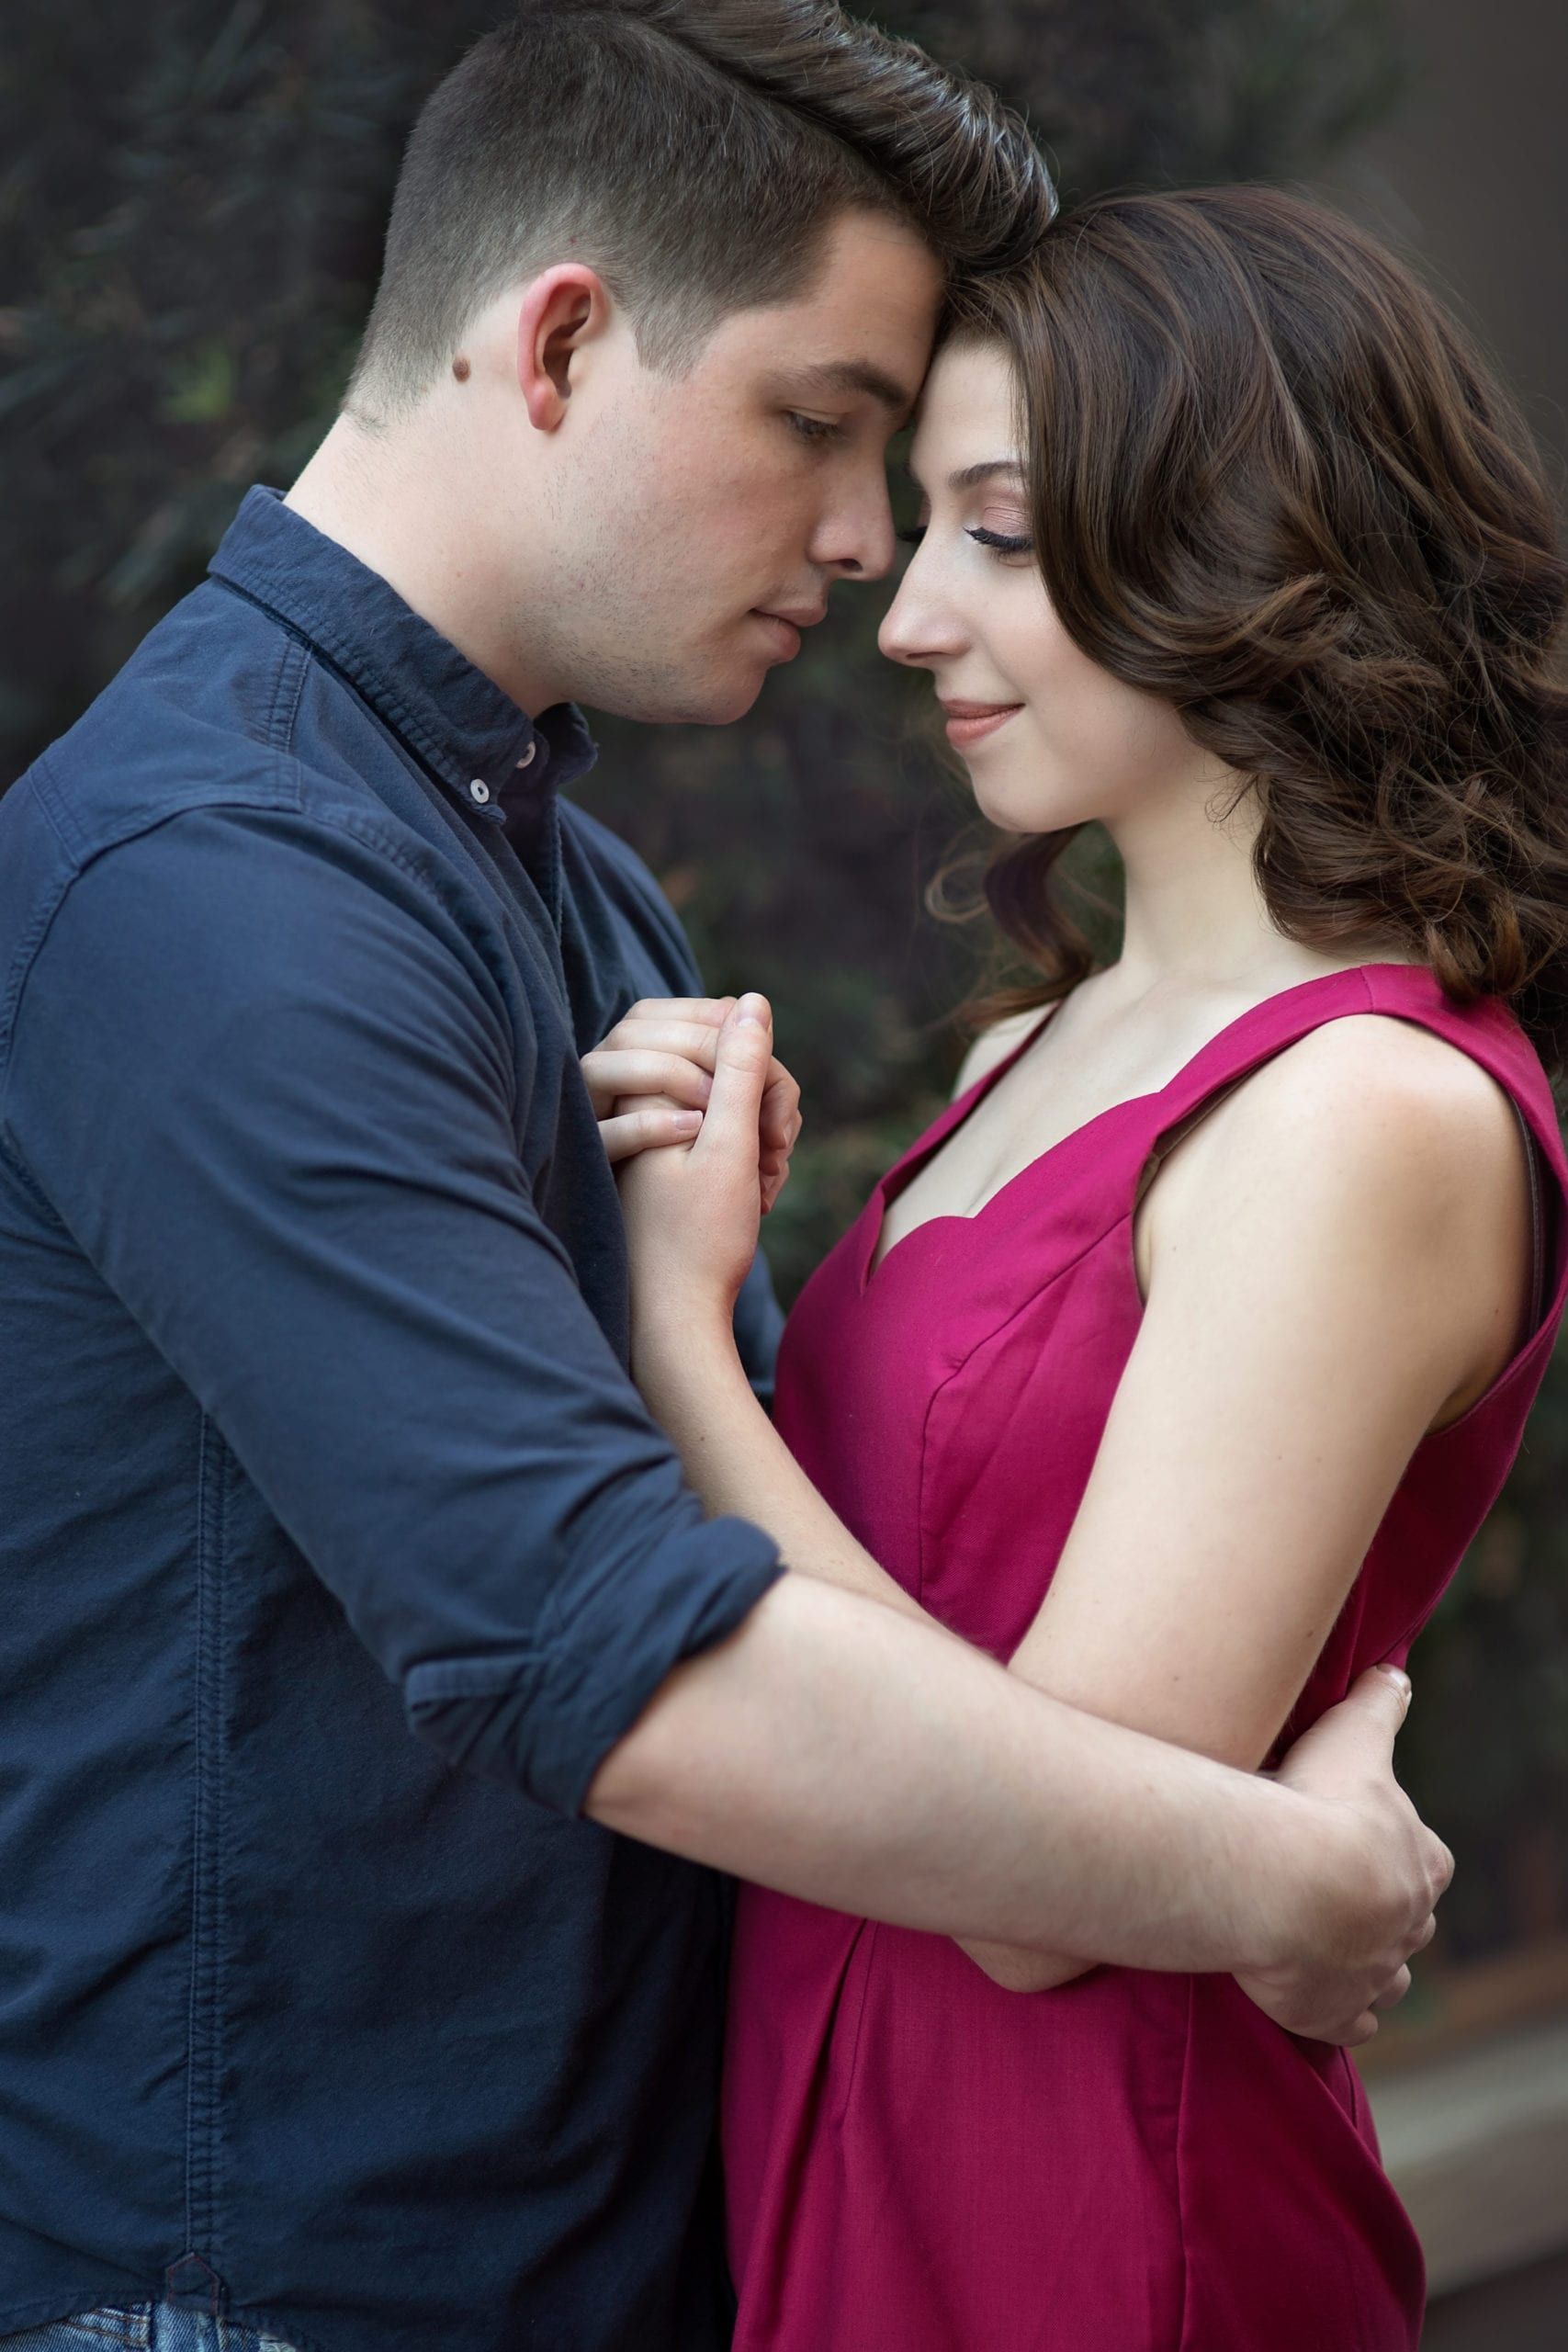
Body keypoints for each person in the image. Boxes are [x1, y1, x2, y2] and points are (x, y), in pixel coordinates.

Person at [0, 8, 1446, 2348]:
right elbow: (620, 1659)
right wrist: (1274, 1871)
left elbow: (775, 1565)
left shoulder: (570, 893)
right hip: (277, 2284)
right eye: (821, 423)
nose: (867, 542)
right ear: (559, 338)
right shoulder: (216, 879)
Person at [604, 187, 1568, 2350]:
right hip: (826, 2128)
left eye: (1000, 532)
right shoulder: (1028, 1043)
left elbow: (1049, 1890)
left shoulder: (1359, 1111)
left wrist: (676, 1331)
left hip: (1092, 2215)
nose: (906, 615)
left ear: (1245, 540)